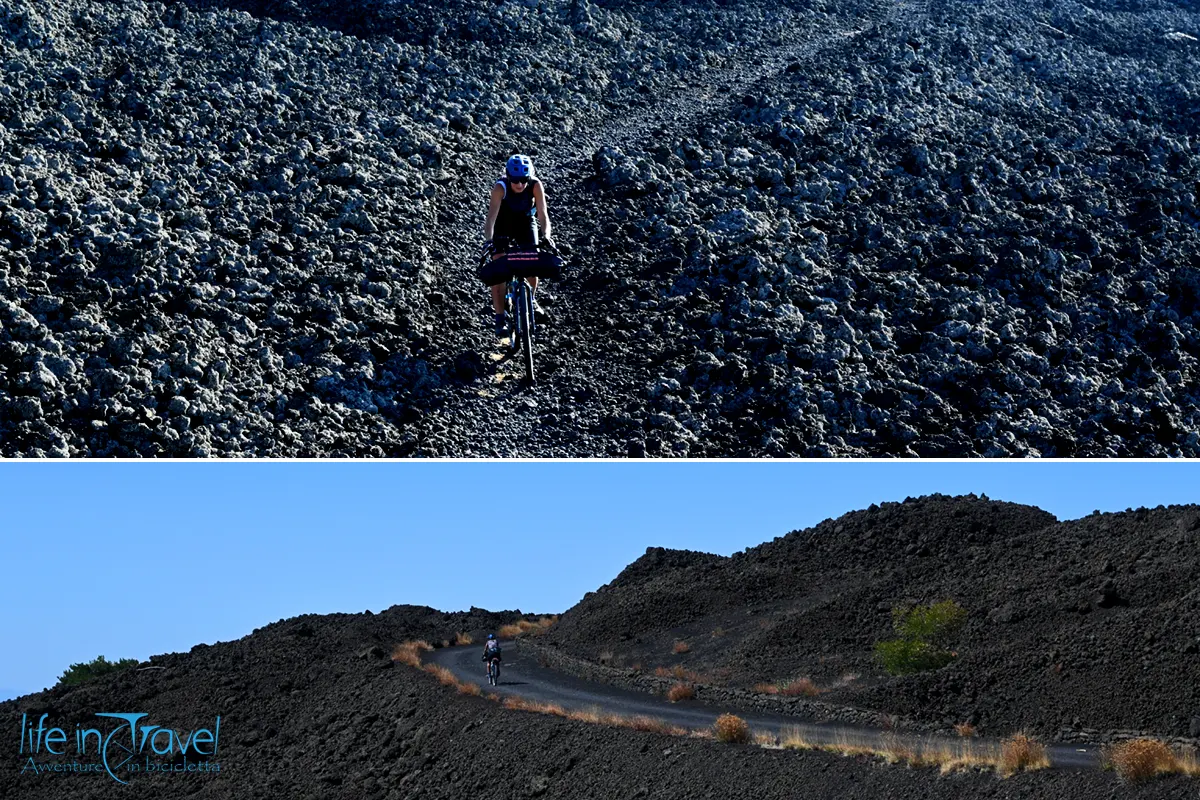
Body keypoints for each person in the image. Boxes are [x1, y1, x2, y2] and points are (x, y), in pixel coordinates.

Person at [482, 154, 554, 337]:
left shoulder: (536, 185)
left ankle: (531, 299)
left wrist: (546, 236)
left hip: (525, 224)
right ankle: (500, 318)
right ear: (508, 176)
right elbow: (491, 219)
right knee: (499, 268)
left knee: (532, 264)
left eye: (524, 180)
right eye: (515, 180)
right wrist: (489, 242)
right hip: (503, 225)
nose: (520, 184)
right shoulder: (500, 188)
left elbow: (543, 215)